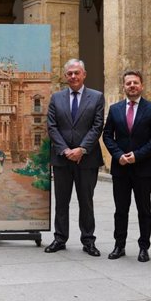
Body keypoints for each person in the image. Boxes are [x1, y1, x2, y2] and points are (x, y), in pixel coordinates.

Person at [45, 59, 104, 256]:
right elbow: (51, 126)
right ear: (65, 76)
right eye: (69, 73)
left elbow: (97, 127)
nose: (73, 76)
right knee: (62, 201)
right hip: (62, 160)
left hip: (87, 160)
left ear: (84, 75)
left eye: (76, 73)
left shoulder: (96, 97)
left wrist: (81, 149)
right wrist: (65, 150)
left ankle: (88, 240)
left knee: (86, 201)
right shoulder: (56, 98)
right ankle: (60, 238)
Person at [102, 70, 151, 262]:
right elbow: (107, 135)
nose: (132, 86)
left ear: (142, 86)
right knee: (121, 209)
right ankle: (119, 245)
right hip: (120, 168)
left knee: (144, 210)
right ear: (124, 87)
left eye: (135, 83)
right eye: (128, 83)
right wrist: (118, 155)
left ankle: (144, 247)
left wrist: (137, 155)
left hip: (143, 168)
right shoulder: (115, 109)